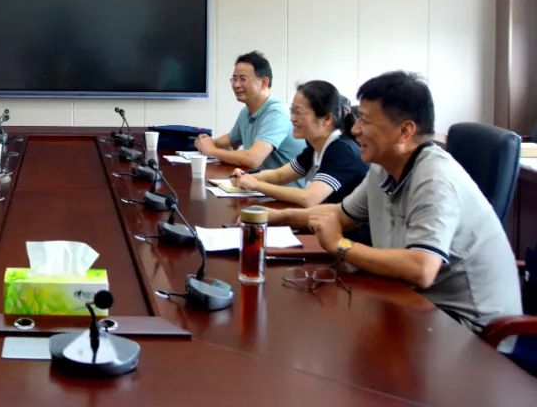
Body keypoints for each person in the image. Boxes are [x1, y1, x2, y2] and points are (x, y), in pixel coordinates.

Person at [268, 71, 522, 331]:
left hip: (470, 329)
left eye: (365, 120)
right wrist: (272, 217)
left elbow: (421, 269)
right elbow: (339, 214)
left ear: (404, 131)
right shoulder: (383, 168)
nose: (354, 129)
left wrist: (340, 245)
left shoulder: (435, 178)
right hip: (415, 303)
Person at [229, 80, 368, 207]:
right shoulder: (315, 147)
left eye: (298, 112)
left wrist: (256, 185)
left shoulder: (341, 150)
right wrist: (246, 178)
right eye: (292, 111)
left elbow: (309, 198)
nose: (292, 118)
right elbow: (279, 175)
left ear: (326, 119)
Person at [194, 50, 304, 170]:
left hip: (281, 182)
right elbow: (230, 140)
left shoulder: (277, 113)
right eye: (234, 79)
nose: (236, 85)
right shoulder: (246, 111)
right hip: (259, 180)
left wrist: (211, 150)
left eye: (243, 79)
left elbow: (253, 159)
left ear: (264, 82)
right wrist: (204, 142)